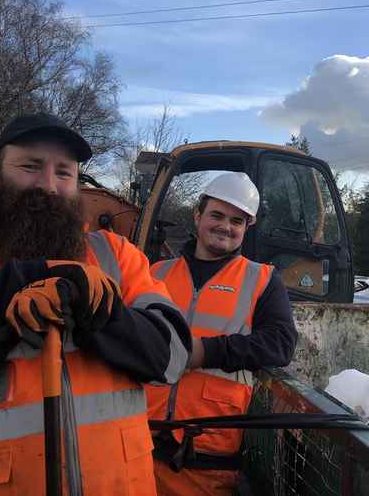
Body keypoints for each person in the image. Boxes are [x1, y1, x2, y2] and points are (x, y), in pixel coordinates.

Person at [0, 112, 191, 495]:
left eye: (64, 172)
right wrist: (6, 298)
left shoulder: (116, 256)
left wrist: (99, 312)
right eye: (31, 166)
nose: (48, 185)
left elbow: (172, 356)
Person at [146, 172, 298, 496]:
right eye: (216, 215)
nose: (225, 226)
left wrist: (204, 352)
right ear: (197, 215)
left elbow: (281, 344)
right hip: (140, 444)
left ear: (247, 227)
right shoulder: (154, 274)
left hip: (208, 457)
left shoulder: (262, 280)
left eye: (237, 221)